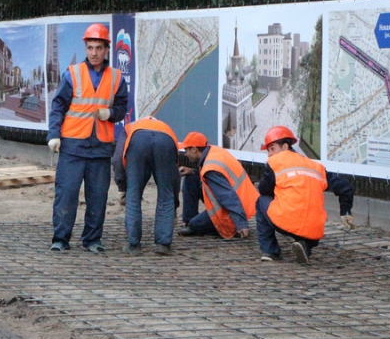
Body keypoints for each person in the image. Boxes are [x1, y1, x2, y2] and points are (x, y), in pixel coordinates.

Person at [47, 23, 128, 253]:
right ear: (85, 47)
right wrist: (54, 135)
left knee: (98, 196)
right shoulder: (72, 74)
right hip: (73, 144)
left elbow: (122, 107)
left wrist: (110, 114)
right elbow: (58, 106)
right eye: (90, 47)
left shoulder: (116, 78)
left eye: (99, 48)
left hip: (100, 146)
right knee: (67, 194)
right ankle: (60, 239)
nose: (94, 53)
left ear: (106, 49)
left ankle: (92, 239)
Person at [255, 125, 355, 264]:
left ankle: (270, 251)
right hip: (315, 229)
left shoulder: (275, 162)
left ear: (284, 147)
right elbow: (345, 187)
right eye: (268, 151)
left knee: (261, 201)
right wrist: (345, 211)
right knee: (306, 225)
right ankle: (305, 246)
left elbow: (264, 190)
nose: (269, 154)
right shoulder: (314, 166)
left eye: (272, 149)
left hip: (286, 222)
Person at [112, 117, 180, 255]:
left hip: (137, 142)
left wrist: (122, 186)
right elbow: (174, 175)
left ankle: (133, 245)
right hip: (165, 142)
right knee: (165, 195)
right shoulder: (165, 127)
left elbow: (118, 159)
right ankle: (163, 244)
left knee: (133, 195)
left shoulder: (129, 128)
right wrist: (175, 199)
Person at [176, 132, 259, 240]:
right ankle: (190, 221)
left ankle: (194, 225)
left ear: (194, 149)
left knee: (195, 224)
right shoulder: (213, 151)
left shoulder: (211, 168)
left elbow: (228, 197)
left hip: (236, 208)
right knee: (190, 178)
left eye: (186, 150)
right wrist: (193, 171)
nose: (185, 154)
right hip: (240, 202)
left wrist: (241, 224)